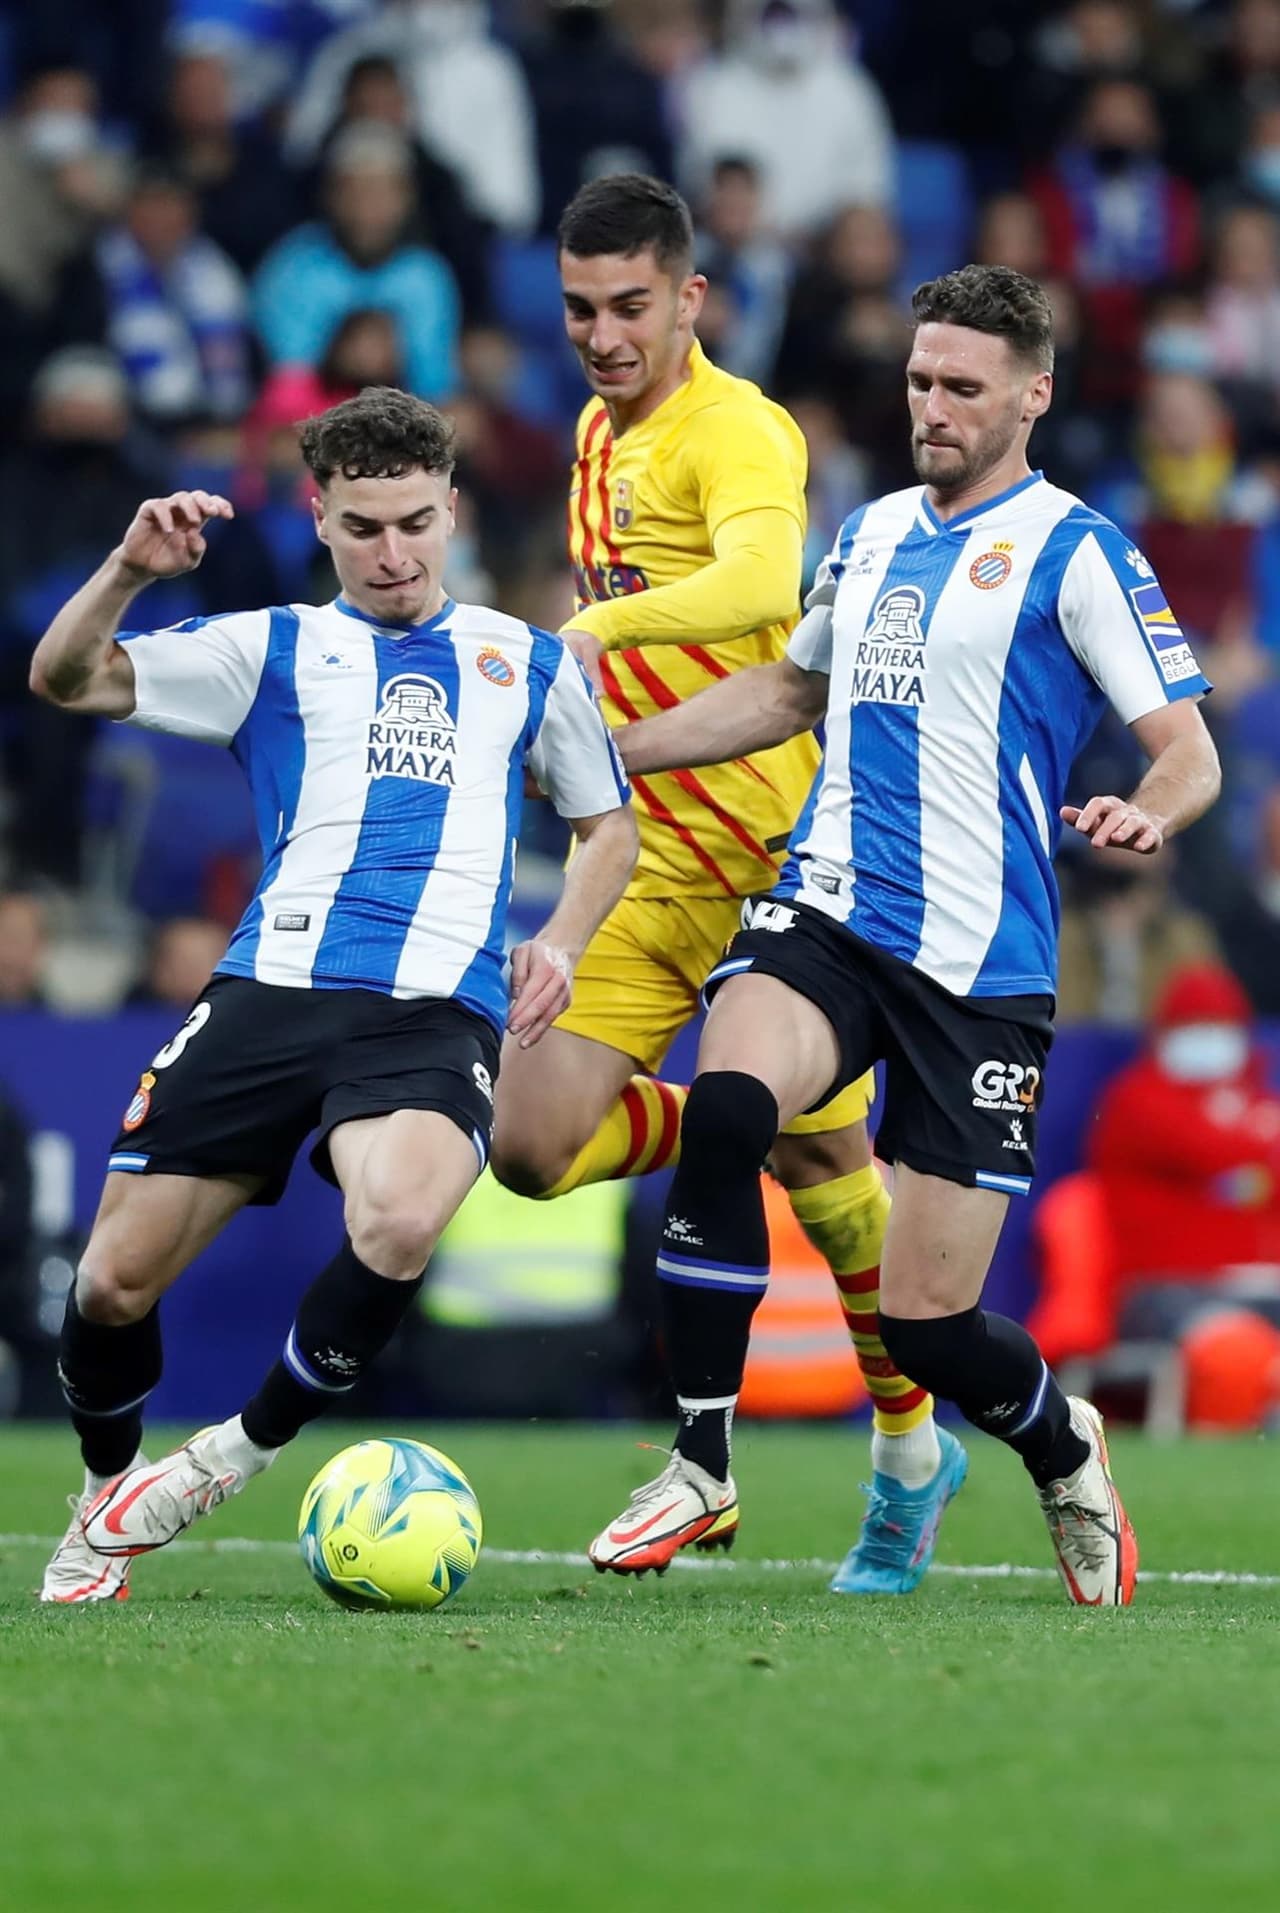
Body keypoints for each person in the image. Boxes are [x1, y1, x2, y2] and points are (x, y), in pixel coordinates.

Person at [605, 264, 1222, 1604]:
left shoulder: (1078, 550)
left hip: (981, 964)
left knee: (929, 1326)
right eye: (919, 381)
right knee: (726, 1108)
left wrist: (1145, 809)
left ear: (1033, 395)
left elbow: (1190, 748)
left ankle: (1061, 1446)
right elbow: (787, 689)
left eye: (961, 386)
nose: (931, 406)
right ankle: (701, 1461)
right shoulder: (874, 529)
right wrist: (613, 749)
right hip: (831, 905)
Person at [27, 385, 636, 1603]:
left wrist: (564, 937)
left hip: (432, 1009)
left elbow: (606, 821)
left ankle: (229, 1452)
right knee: (108, 1282)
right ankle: (106, 1497)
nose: (395, 550)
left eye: (415, 520)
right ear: (319, 517)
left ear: (452, 508)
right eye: (364, 527)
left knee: (402, 1219)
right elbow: (65, 678)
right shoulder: (270, 647)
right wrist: (130, 571)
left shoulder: (522, 658)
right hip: (272, 987)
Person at [490, 174, 959, 1597]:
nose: (603, 335)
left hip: (770, 860)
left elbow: (761, 586)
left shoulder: (739, 431)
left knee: (826, 1172)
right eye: (580, 309)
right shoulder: (588, 432)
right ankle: (737, 1128)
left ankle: (904, 1447)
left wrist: (592, 631)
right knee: (527, 1145)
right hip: (643, 856)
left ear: (692, 296)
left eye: (631, 305)